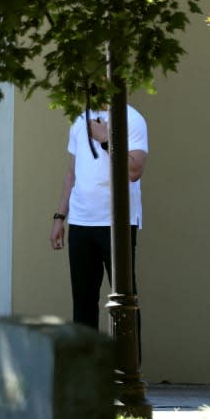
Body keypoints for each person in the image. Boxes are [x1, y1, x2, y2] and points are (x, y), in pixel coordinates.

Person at [50, 102, 148, 330]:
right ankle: (88, 365)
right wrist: (59, 217)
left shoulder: (131, 118)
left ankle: (128, 364)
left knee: (124, 303)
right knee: (83, 304)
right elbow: (71, 174)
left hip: (117, 223)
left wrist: (106, 140)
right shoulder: (78, 120)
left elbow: (134, 171)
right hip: (81, 222)